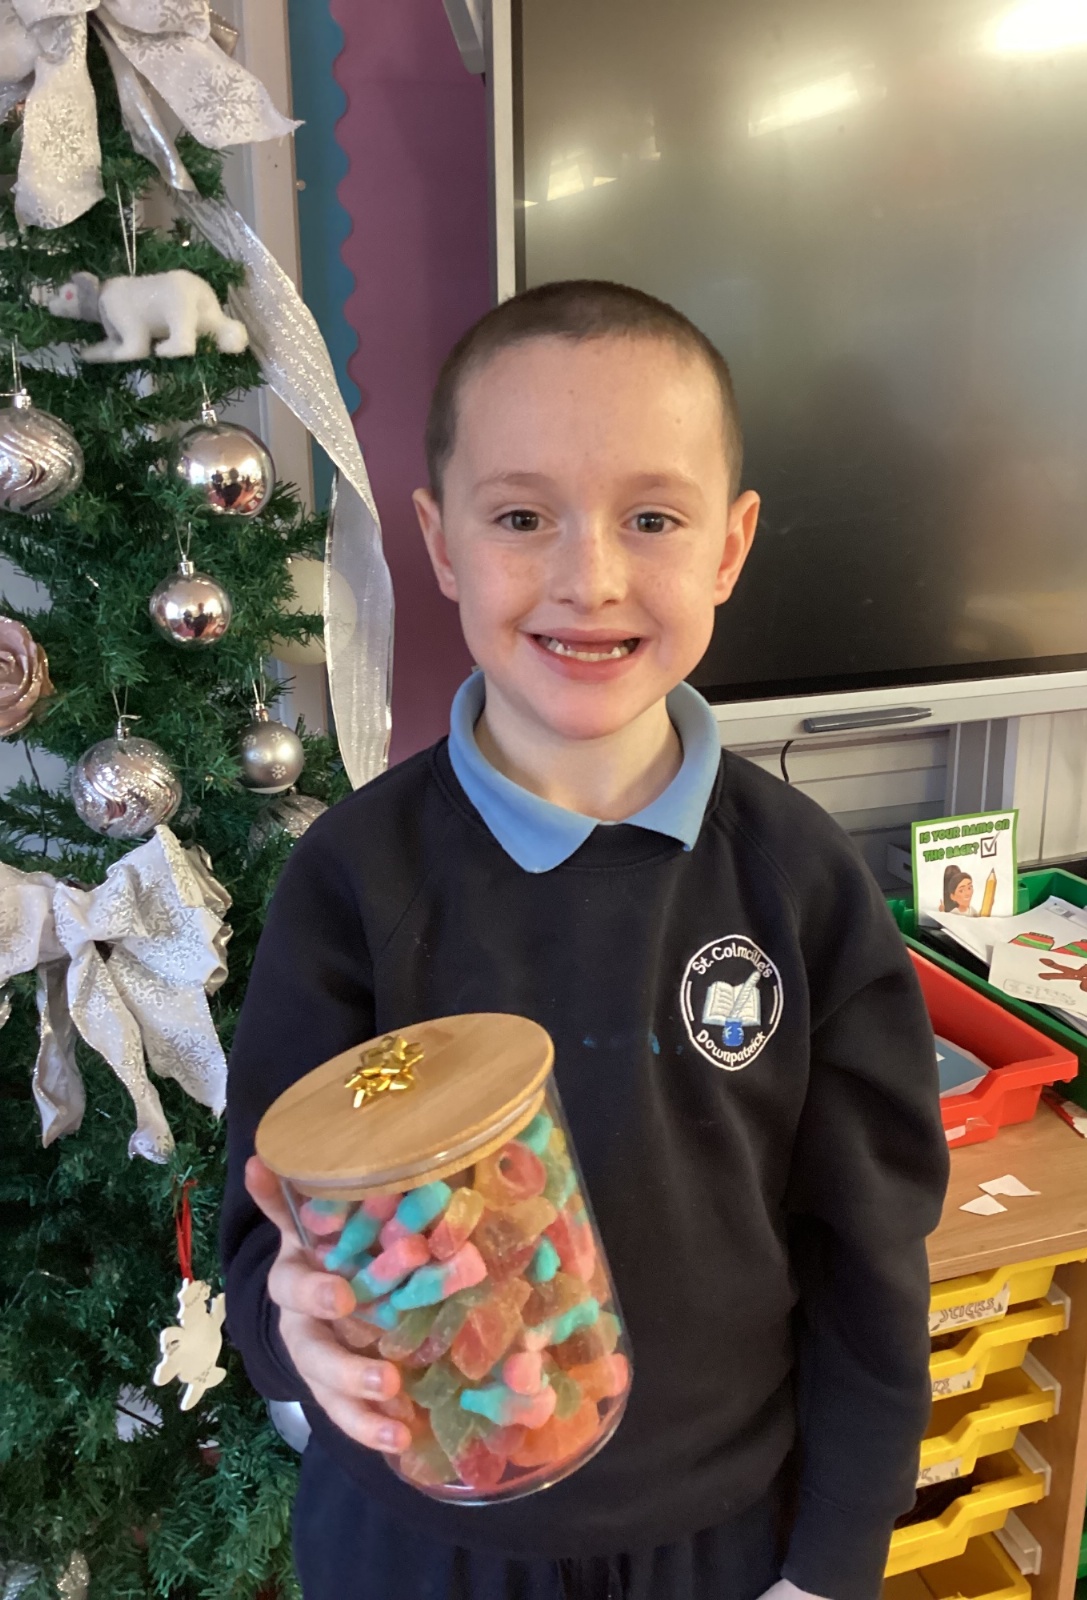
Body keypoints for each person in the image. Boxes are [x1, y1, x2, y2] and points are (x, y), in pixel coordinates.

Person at [221, 281, 949, 1600]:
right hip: (418, 1546)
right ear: (441, 544)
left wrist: (835, 1557)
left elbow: (869, 1256)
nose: (588, 578)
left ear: (728, 548)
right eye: (521, 517)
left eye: (651, 519)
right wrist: (295, 1339)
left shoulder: (804, 885)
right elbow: (270, 1217)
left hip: (721, 1542)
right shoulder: (353, 880)